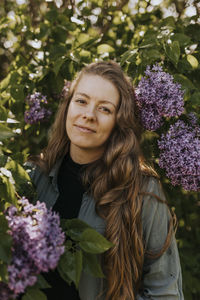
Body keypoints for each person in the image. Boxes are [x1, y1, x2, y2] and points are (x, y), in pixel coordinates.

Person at [26, 61, 184, 300]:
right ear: (68, 107)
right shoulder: (31, 177)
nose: (88, 115)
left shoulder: (141, 192)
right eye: (81, 101)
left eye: (105, 109)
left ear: (118, 122)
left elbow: (166, 293)